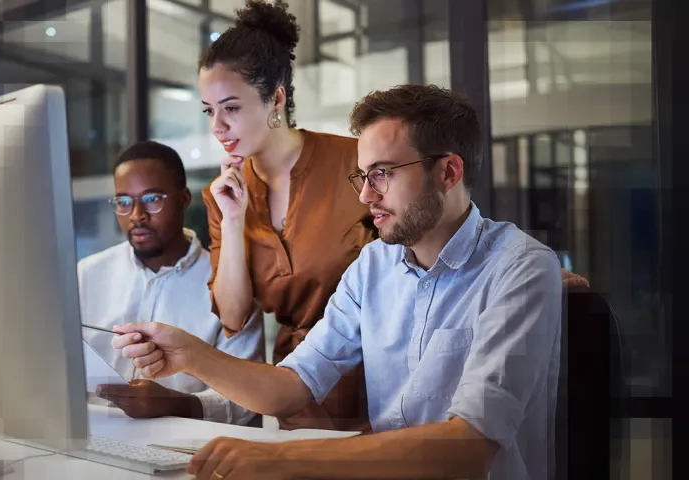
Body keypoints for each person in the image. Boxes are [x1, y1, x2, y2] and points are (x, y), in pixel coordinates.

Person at [112, 85, 563, 479]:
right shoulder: (374, 265)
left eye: (383, 173)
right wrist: (190, 354)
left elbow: (470, 446)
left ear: (448, 172)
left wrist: (284, 459)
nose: (366, 195)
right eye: (363, 176)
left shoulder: (520, 269)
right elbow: (291, 386)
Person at [198, 0, 375, 431]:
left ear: (275, 98)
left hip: (377, 380)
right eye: (209, 110)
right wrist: (234, 220)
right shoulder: (223, 196)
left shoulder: (357, 162)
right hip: (295, 390)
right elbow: (234, 317)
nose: (217, 126)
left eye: (231, 107)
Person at [77, 140, 263, 426]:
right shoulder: (87, 274)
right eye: (123, 202)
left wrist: (178, 404)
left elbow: (249, 397)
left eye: (152, 199)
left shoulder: (228, 284)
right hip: (92, 434)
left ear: (184, 199)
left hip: (185, 444)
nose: (136, 215)